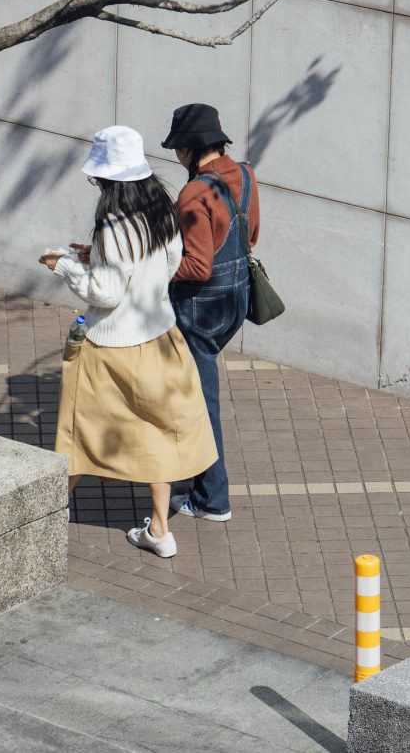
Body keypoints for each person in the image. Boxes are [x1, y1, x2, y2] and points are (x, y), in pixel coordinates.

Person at [40, 124, 217, 560]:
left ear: (106, 179)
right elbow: (168, 261)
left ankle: (49, 511)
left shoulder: (113, 223)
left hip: (109, 347)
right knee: (158, 433)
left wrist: (63, 264)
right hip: (161, 339)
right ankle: (159, 530)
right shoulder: (162, 210)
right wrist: (95, 256)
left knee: (79, 431)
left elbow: (106, 293)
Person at [162, 102, 261, 524]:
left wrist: (155, 267)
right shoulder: (245, 174)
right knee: (192, 391)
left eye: (177, 149)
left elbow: (197, 266)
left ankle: (211, 499)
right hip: (236, 298)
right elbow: (250, 234)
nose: (176, 156)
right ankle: (190, 471)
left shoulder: (194, 192)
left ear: (189, 148)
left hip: (200, 305)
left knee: (202, 402)